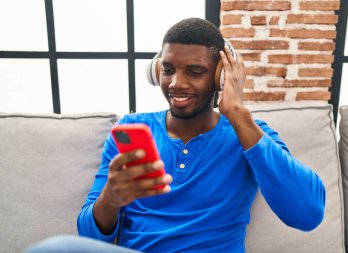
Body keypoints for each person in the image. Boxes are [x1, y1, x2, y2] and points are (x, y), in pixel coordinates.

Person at [25, 17, 325, 253]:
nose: (176, 83)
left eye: (194, 72)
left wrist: (238, 113)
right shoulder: (130, 130)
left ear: (221, 76)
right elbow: (90, 236)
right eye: (168, 70)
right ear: (156, 71)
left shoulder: (249, 134)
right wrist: (111, 199)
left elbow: (307, 214)